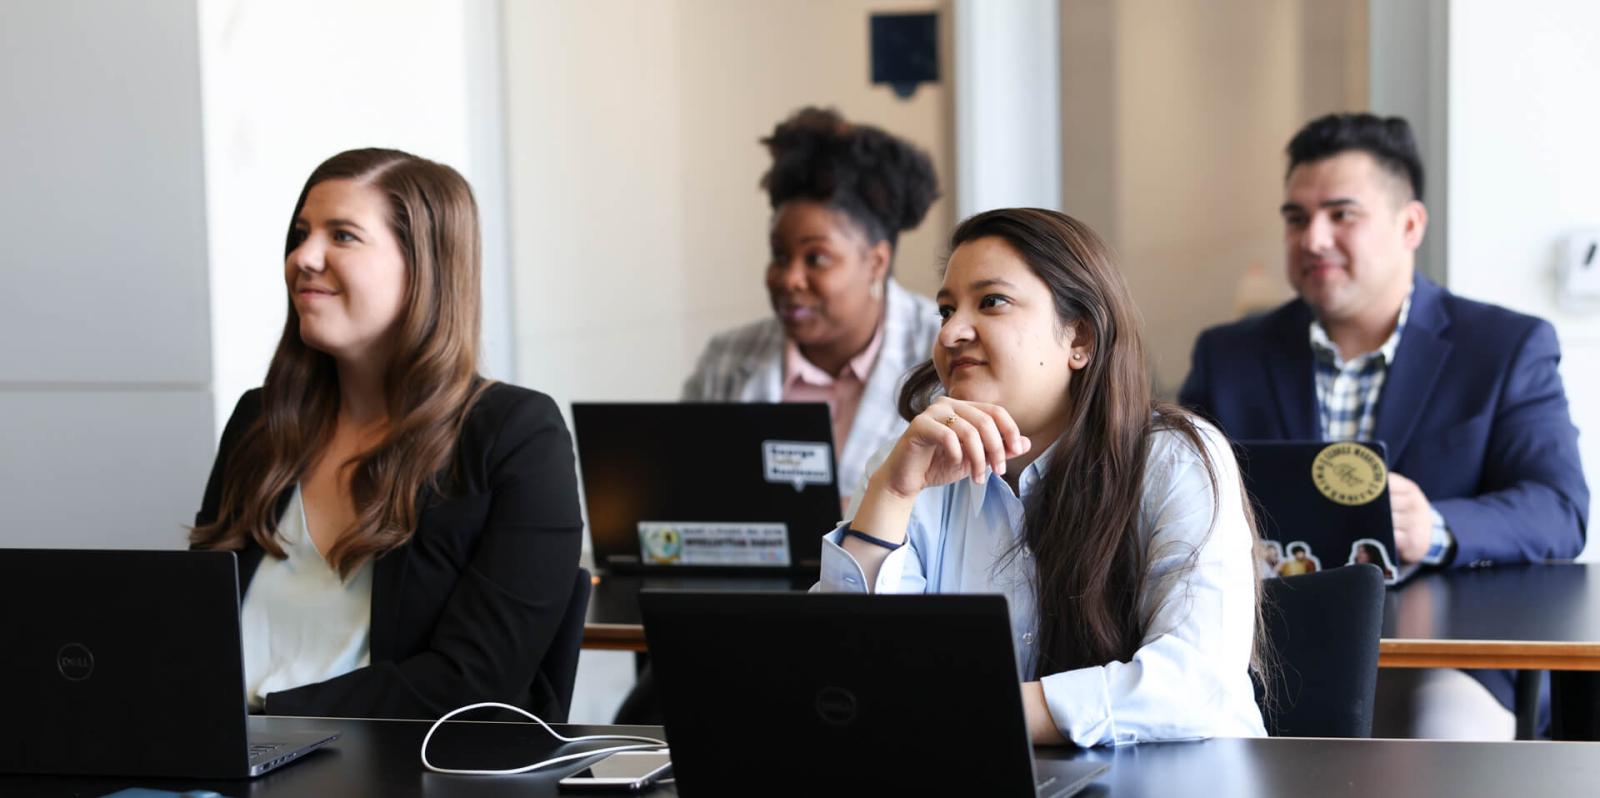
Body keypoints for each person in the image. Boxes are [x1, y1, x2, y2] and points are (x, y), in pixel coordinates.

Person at [1179, 113, 1589, 738]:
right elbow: (1179, 497)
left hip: (1452, 658)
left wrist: (1439, 527)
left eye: (1342, 214)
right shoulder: (1228, 355)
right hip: (1263, 649)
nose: (1313, 238)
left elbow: (1559, 508)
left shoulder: (1504, 347)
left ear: (1410, 225)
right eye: (1296, 218)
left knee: (1442, 743)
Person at [819, 208, 1266, 746]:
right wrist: (890, 494)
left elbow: (1193, 685)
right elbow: (848, 674)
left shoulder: (1175, 457)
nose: (954, 331)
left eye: (991, 302)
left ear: (1079, 338)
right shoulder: (912, 464)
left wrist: (973, 707)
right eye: (946, 310)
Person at [191, 149, 583, 720]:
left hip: (390, 767)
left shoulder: (516, 435)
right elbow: (191, 626)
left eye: (342, 236)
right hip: (221, 758)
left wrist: (265, 720)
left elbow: (473, 680)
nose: (303, 257)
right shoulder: (261, 420)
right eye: (300, 234)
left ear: (424, 266)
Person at [683, 107, 942, 503]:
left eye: (816, 258)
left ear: (876, 262)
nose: (789, 279)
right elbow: (688, 494)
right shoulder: (726, 359)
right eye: (779, 256)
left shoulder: (943, 352)